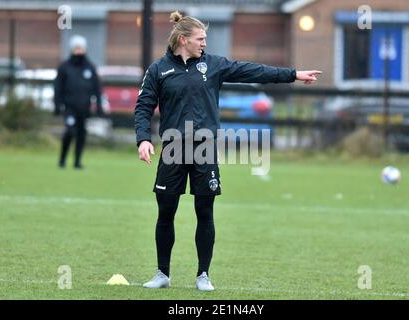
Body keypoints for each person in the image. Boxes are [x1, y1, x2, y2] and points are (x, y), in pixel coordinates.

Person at [135, 11, 321, 291]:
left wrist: (293, 74)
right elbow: (143, 107)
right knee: (166, 212)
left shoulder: (213, 66)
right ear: (183, 40)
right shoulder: (158, 69)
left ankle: (203, 275)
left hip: (205, 149)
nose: (204, 44)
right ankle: (162, 274)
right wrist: (143, 139)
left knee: (204, 211)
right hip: (172, 149)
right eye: (200, 39)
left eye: (205, 39)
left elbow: (253, 71)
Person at [54, 35, 103, 169]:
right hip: (69, 108)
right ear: (72, 49)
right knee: (70, 131)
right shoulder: (64, 67)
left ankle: (77, 162)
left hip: (84, 108)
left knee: (81, 134)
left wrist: (99, 105)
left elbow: (97, 89)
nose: (79, 51)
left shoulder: (90, 68)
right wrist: (57, 104)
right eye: (76, 48)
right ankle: (62, 159)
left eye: (81, 48)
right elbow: (58, 87)